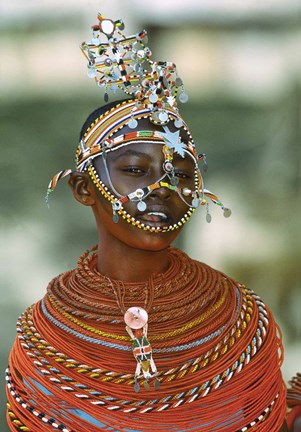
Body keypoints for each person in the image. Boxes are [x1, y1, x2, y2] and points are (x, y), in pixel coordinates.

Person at [6, 13, 297, 431]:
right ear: (83, 189)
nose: (163, 187)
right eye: (137, 170)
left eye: (179, 174)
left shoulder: (243, 320)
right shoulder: (43, 337)